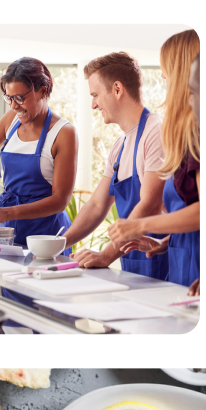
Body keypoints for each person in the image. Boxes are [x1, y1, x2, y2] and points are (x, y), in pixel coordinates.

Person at [106, 30, 201, 287]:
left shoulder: (197, 132)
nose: (162, 76)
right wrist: (165, 242)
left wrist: (138, 226)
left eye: (166, 70)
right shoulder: (184, 131)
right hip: (183, 257)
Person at [63, 52, 167, 278]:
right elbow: (97, 205)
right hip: (133, 266)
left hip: (161, 262)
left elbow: (150, 203)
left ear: (117, 89)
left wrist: (106, 255)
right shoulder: (119, 147)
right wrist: (59, 243)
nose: (93, 104)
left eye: (96, 95)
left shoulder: (155, 132)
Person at [0, 58, 76, 250]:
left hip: (47, 237)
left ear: (43, 91)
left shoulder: (63, 133)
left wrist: (8, 213)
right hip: (8, 233)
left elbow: (59, 201)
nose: (14, 106)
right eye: (9, 98)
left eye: (20, 98)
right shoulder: (11, 120)